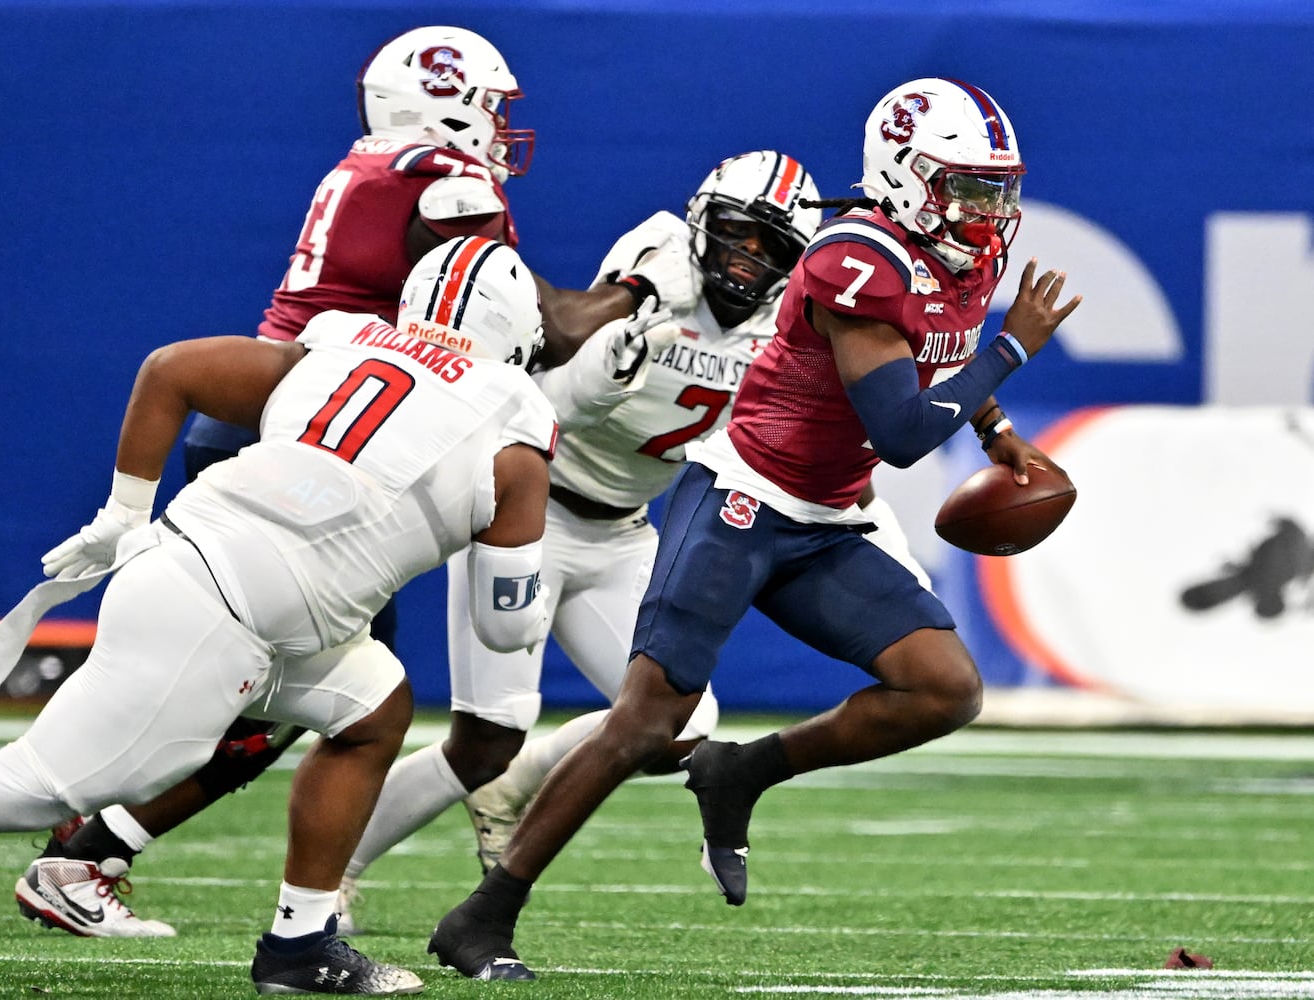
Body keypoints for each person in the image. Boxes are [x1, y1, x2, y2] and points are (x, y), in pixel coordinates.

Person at [10, 23, 679, 939]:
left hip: (292, 418)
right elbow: (548, 324)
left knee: (306, 695)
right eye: (489, 104)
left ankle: (92, 848)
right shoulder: (444, 177)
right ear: (440, 101)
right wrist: (638, 287)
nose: (498, 125)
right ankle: (95, 856)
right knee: (334, 698)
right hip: (319, 444)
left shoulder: (368, 166)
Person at [427, 77, 1083, 980]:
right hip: (744, 497)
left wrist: (998, 430)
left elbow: (940, 350)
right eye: (967, 187)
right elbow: (899, 432)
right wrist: (1015, 347)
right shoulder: (855, 258)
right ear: (905, 176)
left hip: (827, 514)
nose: (988, 211)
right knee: (644, 723)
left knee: (942, 689)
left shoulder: (952, 259)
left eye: (994, 188)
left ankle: (745, 772)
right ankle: (482, 917)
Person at [0, 235, 574, 995]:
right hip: (218, 607)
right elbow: (504, 628)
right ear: (516, 329)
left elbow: (172, 370)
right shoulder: (513, 431)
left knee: (372, 707)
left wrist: (123, 515)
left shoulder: (343, 340)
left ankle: (300, 947)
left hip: (221, 577)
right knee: (34, 783)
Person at [334, 151, 861, 927]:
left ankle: (516, 784)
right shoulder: (658, 266)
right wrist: (592, 376)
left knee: (683, 720)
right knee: (486, 734)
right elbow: (546, 402)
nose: (748, 256)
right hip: (528, 513)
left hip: (622, 532)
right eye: (736, 233)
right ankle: (331, 875)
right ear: (701, 223)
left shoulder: (786, 320)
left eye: (771, 245)